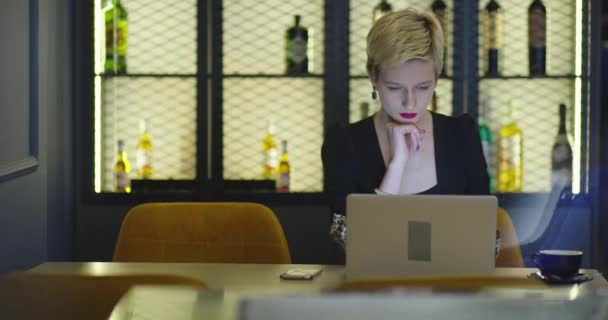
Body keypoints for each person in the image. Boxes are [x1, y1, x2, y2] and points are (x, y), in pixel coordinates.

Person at [322, 9, 490, 249]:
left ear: (437, 78)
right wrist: (396, 164)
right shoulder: (343, 143)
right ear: (373, 77)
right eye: (394, 87)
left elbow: (486, 241)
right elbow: (353, 243)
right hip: (373, 286)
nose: (410, 103)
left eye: (423, 87)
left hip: (452, 284)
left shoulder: (461, 135)